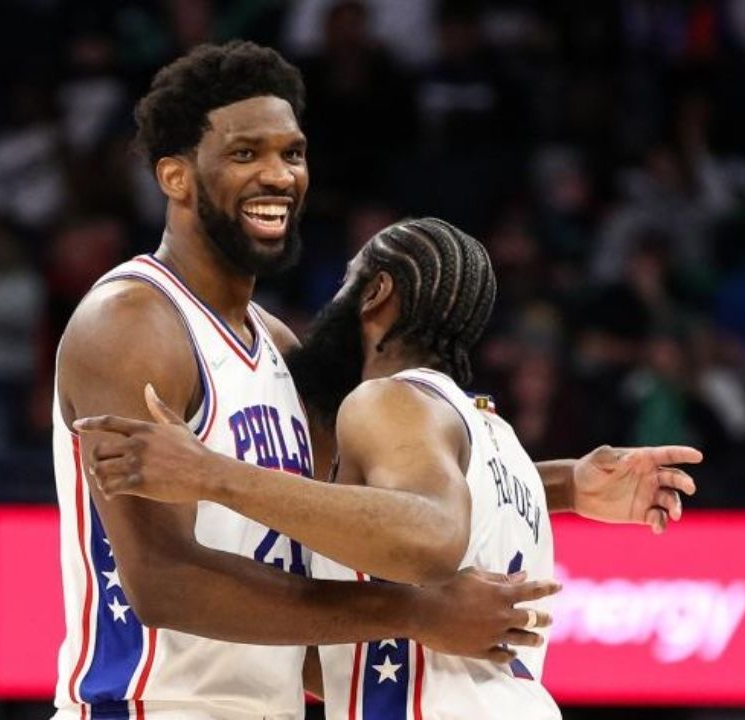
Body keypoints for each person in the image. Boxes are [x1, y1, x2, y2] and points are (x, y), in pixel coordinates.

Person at [52, 41, 558, 720]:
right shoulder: (133, 322)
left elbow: (372, 506)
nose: (278, 174)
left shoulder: (278, 344)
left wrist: (569, 483)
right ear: (175, 177)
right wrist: (413, 612)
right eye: (244, 154)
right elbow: (163, 582)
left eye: (291, 153)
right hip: (152, 706)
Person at [76, 217, 701, 719]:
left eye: (348, 283)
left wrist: (211, 474)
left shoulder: (386, 399)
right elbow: (341, 636)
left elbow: (429, 536)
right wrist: (566, 483)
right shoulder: (495, 436)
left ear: (375, 293)